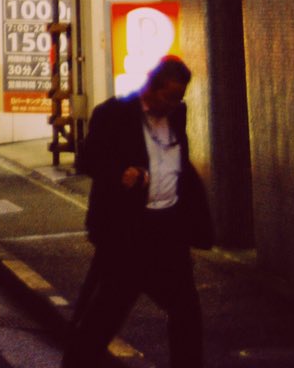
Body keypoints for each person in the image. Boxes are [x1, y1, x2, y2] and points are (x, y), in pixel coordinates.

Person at [63, 55, 213, 368]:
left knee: (186, 310)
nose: (174, 103)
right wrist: (120, 172)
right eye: (169, 96)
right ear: (151, 88)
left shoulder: (176, 115)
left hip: (169, 231)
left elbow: (178, 165)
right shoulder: (114, 114)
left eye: (179, 97)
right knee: (107, 312)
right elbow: (88, 159)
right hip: (129, 233)